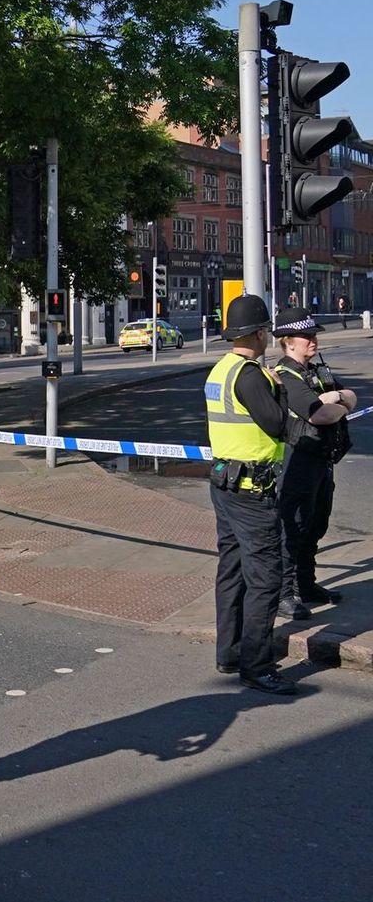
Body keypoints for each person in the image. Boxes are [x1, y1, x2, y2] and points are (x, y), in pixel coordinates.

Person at [204, 294, 295, 695]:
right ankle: (257, 666)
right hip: (252, 491)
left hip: (224, 483)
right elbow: (277, 425)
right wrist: (280, 389)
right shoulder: (252, 375)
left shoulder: (220, 371)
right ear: (259, 333)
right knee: (265, 579)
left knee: (232, 570)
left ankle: (230, 652)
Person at [271, 308, 355, 616]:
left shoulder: (316, 371)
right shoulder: (286, 375)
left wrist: (338, 400)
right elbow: (317, 415)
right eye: (306, 336)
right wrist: (334, 403)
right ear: (288, 342)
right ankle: (283, 594)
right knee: (293, 528)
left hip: (321, 459)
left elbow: (350, 395)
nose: (313, 341)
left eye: (314, 335)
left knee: (316, 524)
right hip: (297, 462)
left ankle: (305, 585)